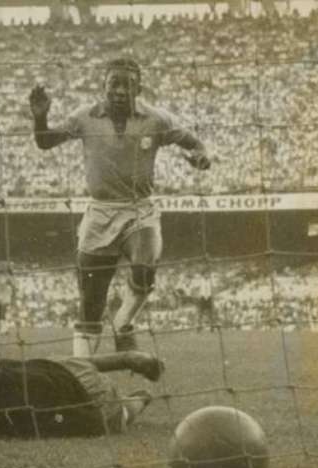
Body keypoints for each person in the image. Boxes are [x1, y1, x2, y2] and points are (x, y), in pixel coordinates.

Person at [29, 57, 211, 356]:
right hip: (100, 211)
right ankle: (83, 371)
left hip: (139, 209)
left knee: (144, 264)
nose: (120, 91)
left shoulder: (156, 119)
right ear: (104, 85)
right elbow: (45, 142)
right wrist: (39, 119)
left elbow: (194, 142)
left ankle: (124, 321)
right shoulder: (84, 117)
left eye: (128, 84)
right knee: (90, 303)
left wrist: (202, 156)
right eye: (114, 83)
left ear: (138, 88)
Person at [0, 344, 164, 439]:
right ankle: (128, 358)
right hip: (52, 365)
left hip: (85, 388)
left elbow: (87, 422)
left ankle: (141, 398)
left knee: (114, 419)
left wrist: (4, 432)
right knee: (76, 364)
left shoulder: (20, 407)